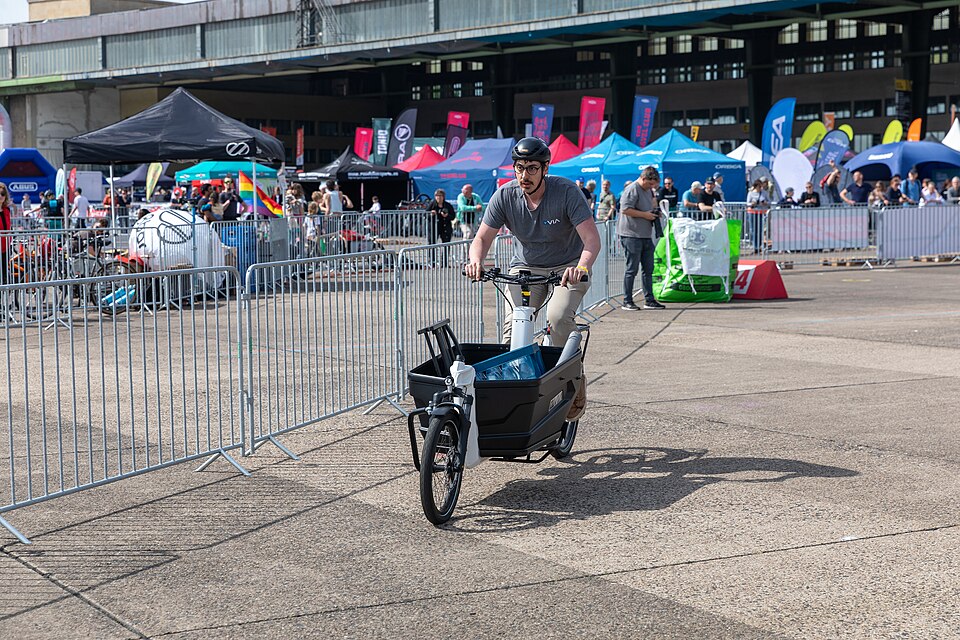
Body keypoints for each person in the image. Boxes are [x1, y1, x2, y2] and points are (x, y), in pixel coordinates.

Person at [465, 137, 597, 421]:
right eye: (519, 167)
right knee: (515, 328)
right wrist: (476, 260)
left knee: (558, 317)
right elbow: (482, 238)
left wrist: (581, 267)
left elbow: (591, 241)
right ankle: (516, 399)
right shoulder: (505, 195)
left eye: (532, 168)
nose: (524, 175)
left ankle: (574, 378)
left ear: (545, 169)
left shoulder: (566, 192)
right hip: (525, 269)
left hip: (567, 268)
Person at [618, 165, 665, 311]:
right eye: (650, 183)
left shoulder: (648, 190)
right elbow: (625, 209)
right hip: (631, 235)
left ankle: (649, 299)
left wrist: (655, 213)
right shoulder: (632, 189)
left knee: (648, 269)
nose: (652, 187)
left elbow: (648, 206)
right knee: (632, 269)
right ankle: (627, 300)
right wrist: (646, 215)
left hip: (644, 235)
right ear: (644, 178)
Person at [745, 179, 770, 253]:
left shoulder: (764, 193)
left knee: (760, 230)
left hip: (761, 212)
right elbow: (747, 203)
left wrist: (765, 203)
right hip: (752, 212)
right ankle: (755, 246)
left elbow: (769, 201)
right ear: (755, 187)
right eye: (759, 187)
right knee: (753, 230)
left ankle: (759, 246)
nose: (760, 188)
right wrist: (752, 204)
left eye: (761, 186)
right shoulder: (750, 193)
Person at [0, 184, 10, 284]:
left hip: (5, 247)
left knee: (3, 274)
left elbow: (8, 227)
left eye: (2, 194)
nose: (0, 196)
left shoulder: (7, 210)